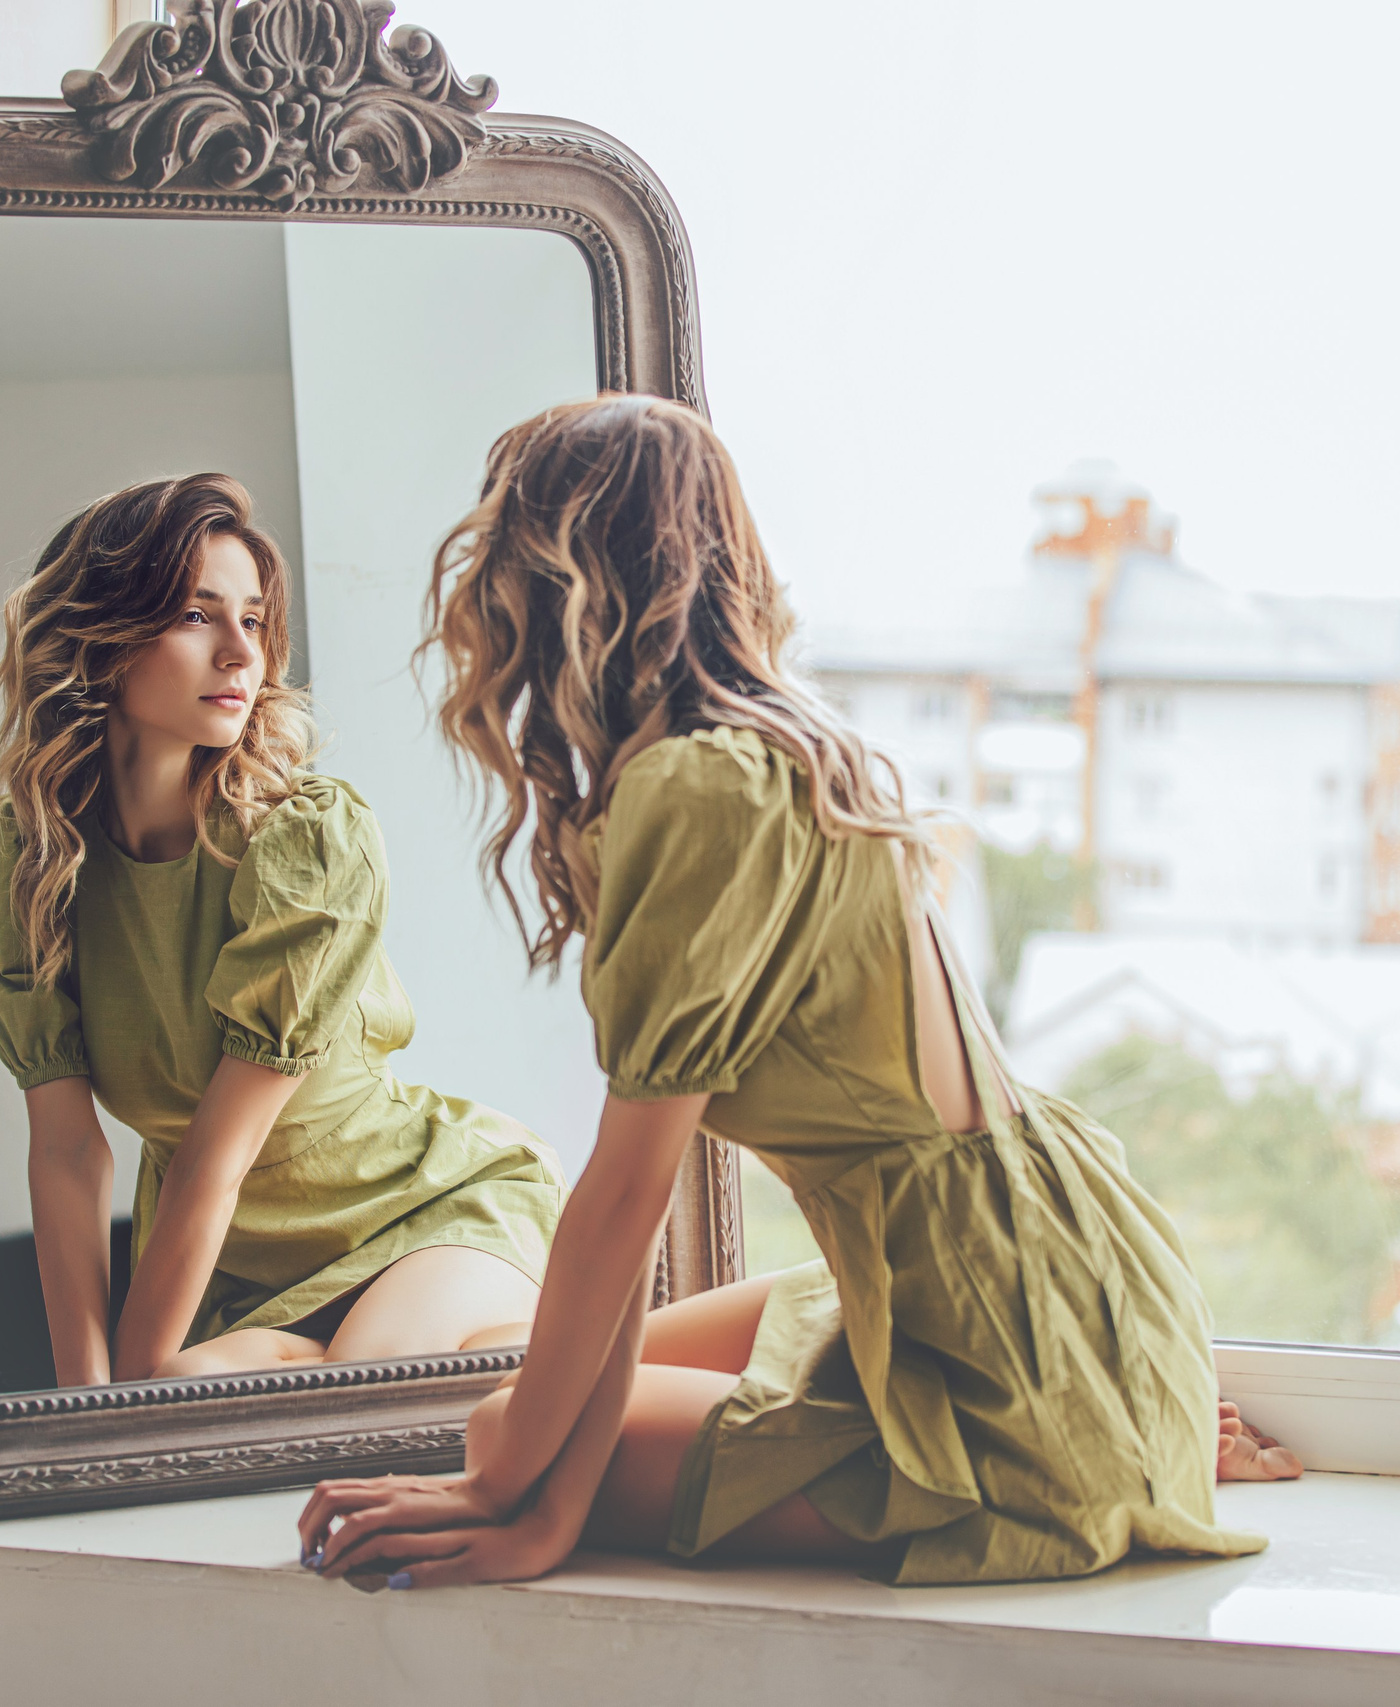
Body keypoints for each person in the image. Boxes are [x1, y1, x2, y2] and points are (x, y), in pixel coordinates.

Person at [298, 397, 1300, 1589]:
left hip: (989, 1349)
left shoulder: (693, 788)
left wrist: (524, 1496)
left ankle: (1093, 1446)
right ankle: (1125, 1419)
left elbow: (625, 1202)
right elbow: (622, 1227)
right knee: (526, 1387)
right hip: (1033, 1266)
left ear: (551, 580)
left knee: (497, 1422)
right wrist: (544, 1479)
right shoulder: (787, 749)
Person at [0, 473, 562, 1386]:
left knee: (366, 1374)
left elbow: (219, 1150)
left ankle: (556, 1347)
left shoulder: (307, 838)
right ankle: (525, 1365)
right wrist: (80, 1404)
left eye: (253, 620)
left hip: (426, 1212)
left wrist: (129, 1380)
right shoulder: (23, 859)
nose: (242, 653)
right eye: (199, 616)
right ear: (102, 638)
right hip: (234, 1272)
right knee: (180, 1394)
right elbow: (67, 1150)